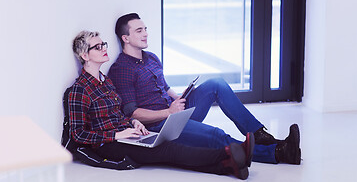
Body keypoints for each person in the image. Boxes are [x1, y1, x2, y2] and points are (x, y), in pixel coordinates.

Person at [108, 13, 301, 165]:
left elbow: (164, 87)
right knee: (216, 135)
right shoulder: (122, 69)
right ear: (125, 38)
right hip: (160, 126)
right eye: (139, 31)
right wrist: (168, 112)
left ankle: (259, 134)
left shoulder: (150, 57)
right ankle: (279, 152)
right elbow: (133, 113)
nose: (146, 33)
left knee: (216, 83)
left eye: (146, 29)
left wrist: (180, 98)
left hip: (175, 111)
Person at [68, 30, 256, 180]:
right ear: (85, 55)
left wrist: (133, 123)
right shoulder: (79, 90)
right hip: (109, 145)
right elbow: (78, 134)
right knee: (168, 150)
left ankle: (227, 166)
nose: (103, 48)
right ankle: (227, 155)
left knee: (167, 149)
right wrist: (117, 134)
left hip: (127, 134)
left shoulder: (105, 81)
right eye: (97, 46)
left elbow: (118, 114)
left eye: (104, 44)